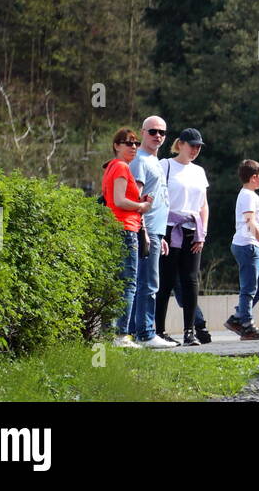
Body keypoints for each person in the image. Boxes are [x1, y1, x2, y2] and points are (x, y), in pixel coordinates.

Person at [155, 129, 210, 346]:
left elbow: (204, 204)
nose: (195, 150)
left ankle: (190, 331)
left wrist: (202, 233)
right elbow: (157, 198)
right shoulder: (165, 165)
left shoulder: (199, 171)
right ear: (181, 144)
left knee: (191, 280)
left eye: (198, 147)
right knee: (165, 281)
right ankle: (158, 330)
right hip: (169, 227)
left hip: (192, 228)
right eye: (192, 145)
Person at [103, 127, 153, 347]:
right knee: (128, 283)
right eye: (127, 143)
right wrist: (142, 205)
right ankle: (121, 334)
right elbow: (120, 200)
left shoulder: (112, 167)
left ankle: (109, 332)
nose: (133, 147)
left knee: (115, 282)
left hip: (116, 228)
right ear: (116, 146)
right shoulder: (122, 167)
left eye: (135, 143)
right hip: (125, 229)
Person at [129, 116, 173, 349]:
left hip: (156, 231)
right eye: (153, 131)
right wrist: (144, 232)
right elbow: (136, 199)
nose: (158, 136)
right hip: (144, 230)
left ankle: (138, 332)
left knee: (147, 281)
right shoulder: (140, 160)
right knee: (147, 283)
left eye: (162, 132)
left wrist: (160, 235)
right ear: (142, 133)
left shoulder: (155, 161)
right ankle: (145, 333)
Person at [226, 160, 259, 341]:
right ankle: (246, 324)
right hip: (248, 245)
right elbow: (251, 222)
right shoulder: (248, 195)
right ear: (253, 177)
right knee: (249, 288)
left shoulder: (250, 194)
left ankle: (237, 317)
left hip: (254, 246)